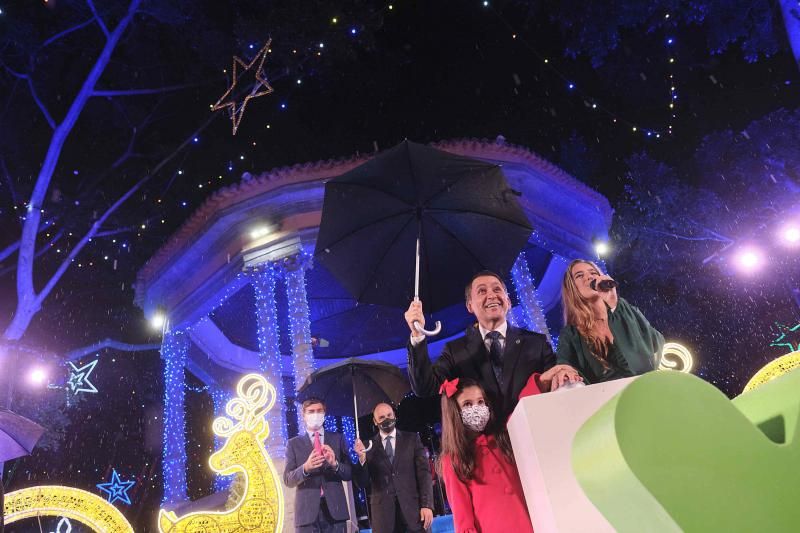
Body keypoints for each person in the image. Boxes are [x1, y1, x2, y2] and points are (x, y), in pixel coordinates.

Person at [405, 270, 581, 422]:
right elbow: (424, 388)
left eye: (497, 289)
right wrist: (417, 334)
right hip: (487, 453)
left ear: (508, 300)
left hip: (535, 436)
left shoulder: (537, 343)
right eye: (482, 291)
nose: (491, 295)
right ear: (469, 306)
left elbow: (554, 389)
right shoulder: (454, 351)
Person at [437, 377, 534, 533]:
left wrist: (542, 381)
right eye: (467, 404)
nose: (477, 408)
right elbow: (464, 519)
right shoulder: (453, 460)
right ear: (454, 412)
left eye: (481, 402)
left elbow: (522, 410)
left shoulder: (504, 438)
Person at [556, 259, 665, 384]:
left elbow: (649, 354)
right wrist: (565, 372)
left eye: (593, 273)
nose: (589, 277)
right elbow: (564, 367)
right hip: (607, 400)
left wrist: (614, 303)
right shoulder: (571, 334)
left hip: (645, 388)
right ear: (572, 288)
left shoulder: (625, 310)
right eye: (579, 276)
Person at [353, 402, 434, 533]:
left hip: (414, 513)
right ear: (375, 421)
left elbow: (424, 474)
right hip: (383, 518)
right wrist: (362, 459)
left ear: (394, 415)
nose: (387, 419)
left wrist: (427, 505)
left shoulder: (412, 439)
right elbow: (361, 482)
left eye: (389, 415)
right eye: (382, 417)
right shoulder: (367, 446)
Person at [284, 398, 353, 533]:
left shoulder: (337, 438)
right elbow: (288, 479)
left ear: (324, 413)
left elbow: (349, 473)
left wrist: (335, 464)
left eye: (319, 411)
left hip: (336, 511)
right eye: (311, 411)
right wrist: (305, 468)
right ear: (303, 415)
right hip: (306, 515)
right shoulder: (293, 444)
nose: (315, 414)